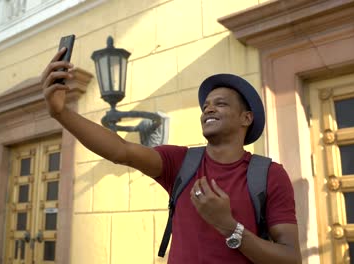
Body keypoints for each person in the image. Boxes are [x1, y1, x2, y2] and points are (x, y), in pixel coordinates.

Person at [41, 47, 302, 264]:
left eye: (220, 103)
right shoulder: (180, 163)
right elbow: (120, 151)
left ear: (247, 118)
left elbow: (290, 258)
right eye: (206, 105)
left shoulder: (268, 175)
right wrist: (61, 113)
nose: (208, 108)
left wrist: (228, 226)